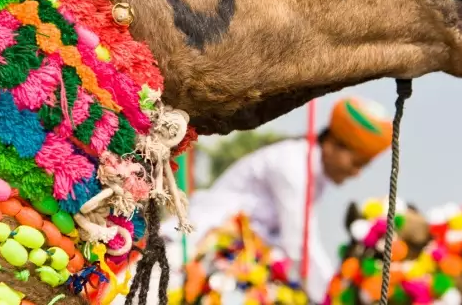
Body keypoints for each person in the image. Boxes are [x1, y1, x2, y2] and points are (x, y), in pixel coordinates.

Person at [163, 96, 393, 302]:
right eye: (356, 163)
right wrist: (335, 296)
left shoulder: (313, 173)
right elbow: (300, 246)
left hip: (243, 257)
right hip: (200, 250)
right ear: (332, 144)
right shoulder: (294, 165)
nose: (356, 174)